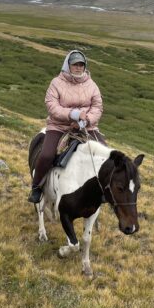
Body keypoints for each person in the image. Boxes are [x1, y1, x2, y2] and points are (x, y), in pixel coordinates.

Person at [28, 50, 105, 203]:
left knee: (105, 155)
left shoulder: (91, 84)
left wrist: (85, 121)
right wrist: (73, 114)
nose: (78, 67)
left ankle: (102, 189)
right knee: (46, 155)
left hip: (86, 127)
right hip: (59, 126)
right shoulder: (56, 83)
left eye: (81, 65)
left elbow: (97, 107)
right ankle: (36, 187)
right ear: (67, 65)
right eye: (75, 64)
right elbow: (52, 106)